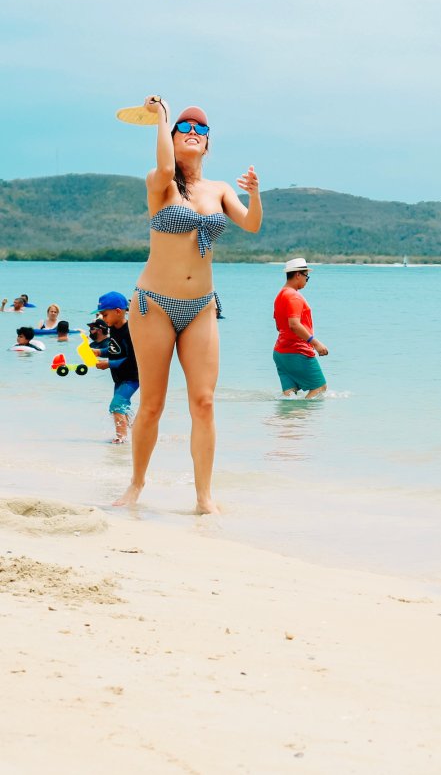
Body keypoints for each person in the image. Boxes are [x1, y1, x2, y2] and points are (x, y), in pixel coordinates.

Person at [114, 96, 262, 513]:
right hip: (153, 305)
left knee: (204, 401)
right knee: (153, 404)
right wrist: (161, 116)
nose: (193, 133)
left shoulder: (219, 190)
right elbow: (165, 167)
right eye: (184, 129)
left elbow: (251, 224)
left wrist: (256, 193)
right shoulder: (159, 183)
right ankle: (136, 486)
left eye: (201, 131)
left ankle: (204, 498)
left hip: (200, 306)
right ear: (172, 138)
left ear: (208, 145)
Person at [273, 257, 329, 398]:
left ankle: (290, 419)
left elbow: (279, 326)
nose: (306, 280)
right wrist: (315, 343)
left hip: (280, 353)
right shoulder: (294, 296)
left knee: (290, 395)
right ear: (298, 274)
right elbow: (294, 325)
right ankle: (303, 418)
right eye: (306, 276)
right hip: (298, 351)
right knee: (320, 387)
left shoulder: (280, 295)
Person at [92, 292, 140, 445]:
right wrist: (100, 352)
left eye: (104, 315)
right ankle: (135, 432)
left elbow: (132, 360)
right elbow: (115, 350)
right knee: (122, 407)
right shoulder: (113, 328)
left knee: (116, 405)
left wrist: (108, 364)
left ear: (118, 311)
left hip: (132, 377)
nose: (102, 319)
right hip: (119, 377)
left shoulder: (130, 331)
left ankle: (121, 438)